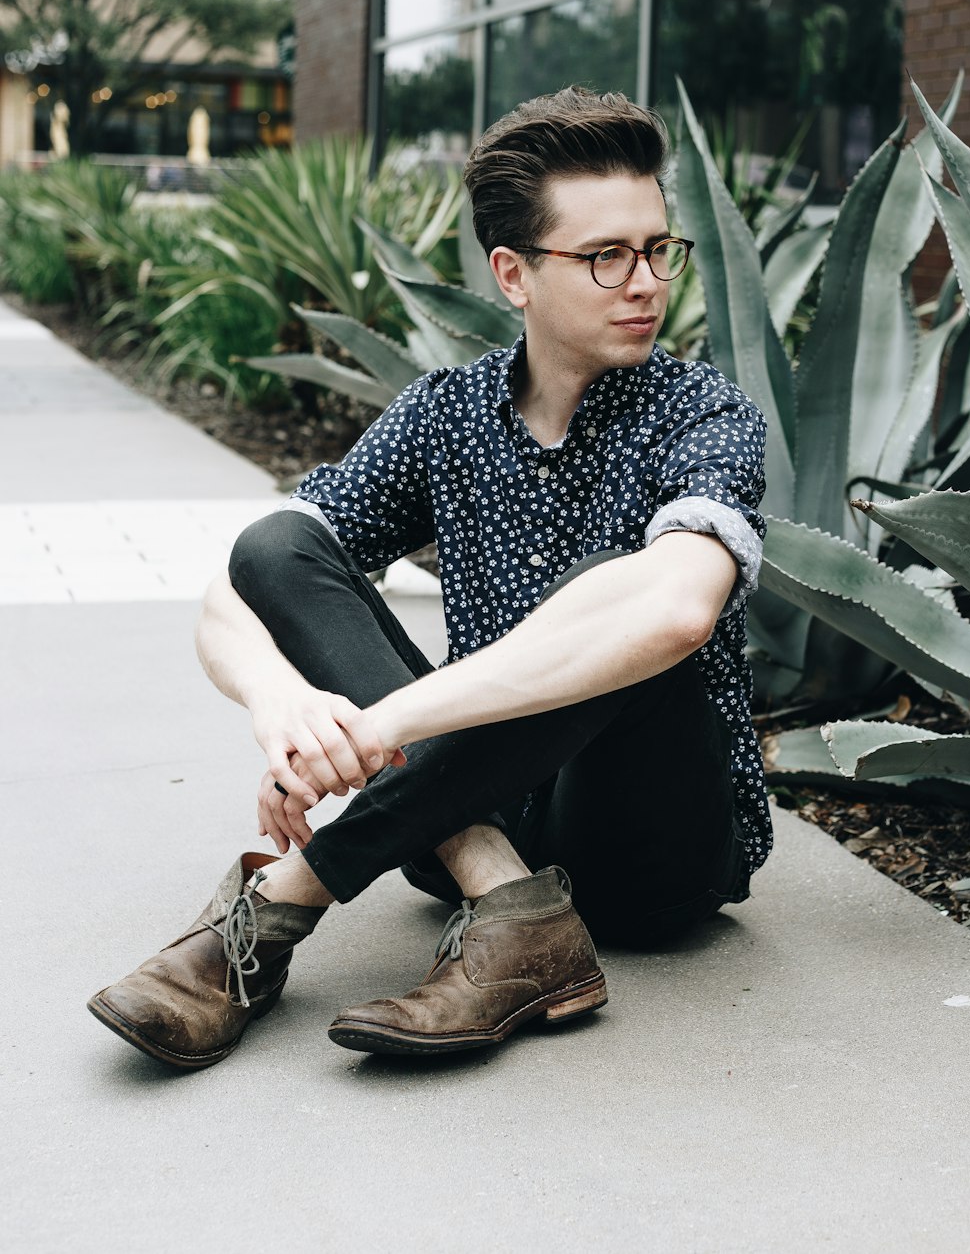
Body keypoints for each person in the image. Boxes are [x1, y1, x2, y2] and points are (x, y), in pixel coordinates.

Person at [88, 86, 770, 1070]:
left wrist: (378, 730)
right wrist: (286, 709)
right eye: (605, 257)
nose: (646, 283)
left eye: (659, 249)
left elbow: (675, 611)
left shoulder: (704, 414)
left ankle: (281, 906)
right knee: (275, 544)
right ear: (512, 274)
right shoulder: (445, 415)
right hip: (473, 805)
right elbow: (242, 586)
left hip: (650, 853)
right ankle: (507, 899)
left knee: (616, 593)